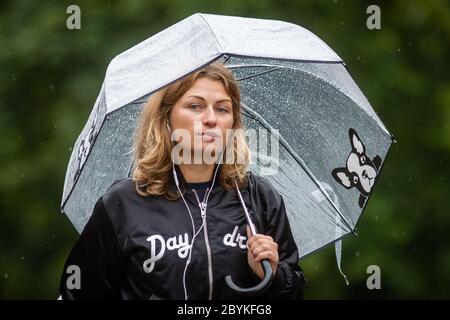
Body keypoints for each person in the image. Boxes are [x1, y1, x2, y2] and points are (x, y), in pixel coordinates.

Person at [59, 62, 306, 300]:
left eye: (222, 109)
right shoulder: (123, 203)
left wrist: (273, 276)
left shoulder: (259, 197)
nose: (211, 119)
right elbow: (79, 293)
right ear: (166, 119)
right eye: (195, 106)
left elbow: (294, 289)